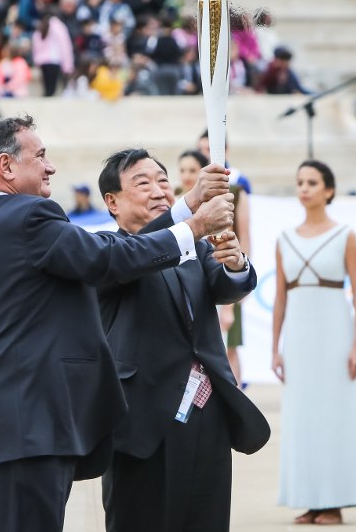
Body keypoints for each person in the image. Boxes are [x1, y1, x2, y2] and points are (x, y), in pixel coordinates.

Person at [0, 115, 236, 532]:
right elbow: (106, 257)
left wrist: (185, 205)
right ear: (7, 166)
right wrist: (194, 224)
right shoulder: (29, 217)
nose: (50, 167)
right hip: (28, 426)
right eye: (40, 156)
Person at [96, 149, 269, 532]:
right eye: (143, 183)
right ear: (112, 202)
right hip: (141, 418)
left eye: (162, 180)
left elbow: (226, 285)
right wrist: (189, 209)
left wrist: (236, 262)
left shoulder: (194, 247)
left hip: (207, 413)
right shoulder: (106, 253)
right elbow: (136, 256)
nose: (159, 190)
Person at [273, 160, 356, 525]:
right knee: (301, 416)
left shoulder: (345, 234)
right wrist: (275, 348)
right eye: (300, 182)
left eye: (312, 182)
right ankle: (309, 498)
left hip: (335, 334)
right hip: (298, 337)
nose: (305, 188)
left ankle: (335, 501)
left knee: (334, 414)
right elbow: (280, 297)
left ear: (329, 190)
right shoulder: (284, 238)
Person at [177, 149, 251, 385]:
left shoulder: (228, 198)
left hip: (219, 278)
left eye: (192, 170)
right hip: (188, 287)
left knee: (227, 349)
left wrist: (230, 302)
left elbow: (239, 240)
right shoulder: (175, 202)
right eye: (182, 170)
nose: (187, 175)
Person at [33, 12, 75, 97]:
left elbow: (36, 44)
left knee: (47, 87)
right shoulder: (58, 26)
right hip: (54, 59)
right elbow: (65, 45)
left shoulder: (41, 26)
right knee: (52, 89)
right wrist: (68, 65)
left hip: (43, 61)